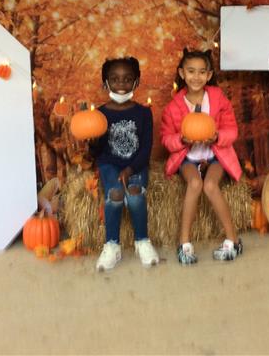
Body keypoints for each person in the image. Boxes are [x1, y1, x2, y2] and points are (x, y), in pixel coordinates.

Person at [160, 48, 243, 265]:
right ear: (182, 73)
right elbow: (166, 139)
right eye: (191, 71)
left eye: (201, 72)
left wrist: (217, 137)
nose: (196, 77)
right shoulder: (173, 107)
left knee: (210, 186)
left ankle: (233, 240)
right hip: (188, 158)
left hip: (215, 155)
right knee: (195, 183)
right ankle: (184, 244)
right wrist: (181, 140)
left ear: (209, 75)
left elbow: (232, 130)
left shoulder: (218, 99)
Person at [91, 56, 159, 271]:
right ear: (106, 83)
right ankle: (112, 245)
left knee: (135, 194)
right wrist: (92, 141)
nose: (121, 84)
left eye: (127, 79)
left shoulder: (144, 113)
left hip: (135, 164)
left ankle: (142, 241)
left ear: (136, 82)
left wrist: (130, 169)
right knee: (115, 194)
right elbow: (97, 153)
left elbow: (146, 150)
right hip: (110, 164)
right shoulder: (99, 115)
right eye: (115, 79)